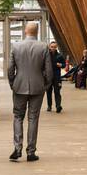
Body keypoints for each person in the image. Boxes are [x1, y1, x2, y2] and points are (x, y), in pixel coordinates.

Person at [7, 21, 53, 162]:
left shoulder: (16, 46)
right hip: (37, 87)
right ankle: (31, 152)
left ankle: (17, 148)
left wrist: (13, 83)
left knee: (18, 116)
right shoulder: (43, 47)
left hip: (19, 86)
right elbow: (49, 70)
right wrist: (46, 84)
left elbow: (10, 69)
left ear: (26, 31)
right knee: (33, 118)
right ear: (37, 32)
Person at [45, 40, 66, 113]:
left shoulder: (60, 55)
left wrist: (61, 65)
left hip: (57, 77)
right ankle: (49, 106)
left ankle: (58, 106)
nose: (53, 48)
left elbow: (64, 65)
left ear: (56, 47)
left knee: (57, 92)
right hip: (48, 77)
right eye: (51, 47)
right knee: (48, 92)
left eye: (54, 47)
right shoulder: (46, 55)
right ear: (49, 47)